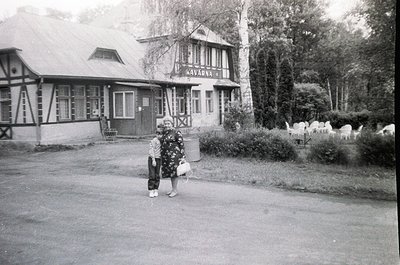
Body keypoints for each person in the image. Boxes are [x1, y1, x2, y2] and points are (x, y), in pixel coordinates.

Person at [160, 116, 186, 198]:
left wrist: (183, 157)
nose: (167, 125)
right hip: (166, 156)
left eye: (168, 123)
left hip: (174, 156)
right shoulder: (165, 132)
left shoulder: (176, 132)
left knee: (174, 173)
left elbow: (181, 145)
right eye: (165, 123)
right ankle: (173, 189)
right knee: (171, 173)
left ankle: (175, 190)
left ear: (172, 123)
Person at [147, 125, 163, 198]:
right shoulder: (154, 141)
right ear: (156, 134)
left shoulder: (163, 141)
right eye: (158, 133)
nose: (159, 135)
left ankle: (156, 189)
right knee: (152, 175)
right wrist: (153, 159)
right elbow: (151, 150)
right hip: (153, 159)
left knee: (157, 175)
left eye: (161, 134)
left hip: (159, 159)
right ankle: (151, 190)